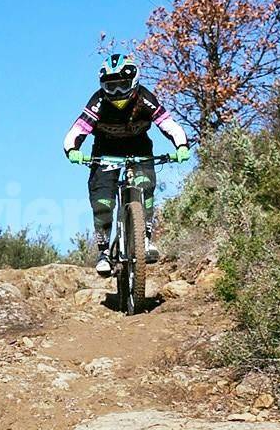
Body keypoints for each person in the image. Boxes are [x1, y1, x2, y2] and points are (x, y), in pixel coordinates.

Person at [64, 53, 189, 275]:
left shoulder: (144, 97)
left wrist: (181, 146)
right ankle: (103, 252)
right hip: (105, 152)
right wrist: (73, 150)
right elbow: (77, 130)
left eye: (122, 85)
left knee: (146, 185)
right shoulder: (99, 101)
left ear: (134, 81)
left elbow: (169, 125)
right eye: (111, 87)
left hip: (139, 149)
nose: (118, 92)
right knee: (102, 202)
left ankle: (146, 239)